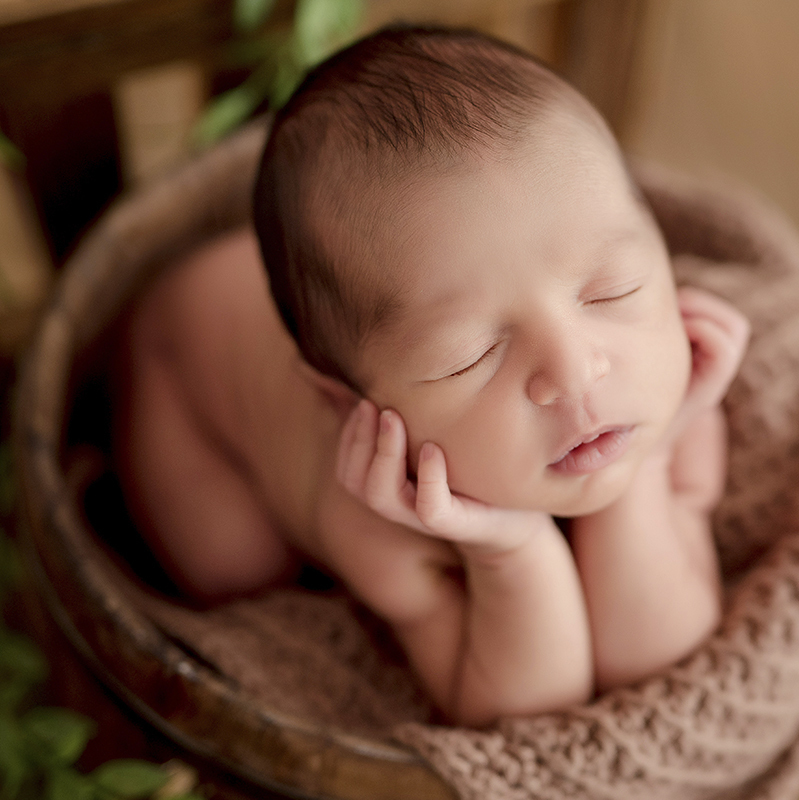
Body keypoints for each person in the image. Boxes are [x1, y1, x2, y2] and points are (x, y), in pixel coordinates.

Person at [115, 26, 749, 726]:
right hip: (185, 375)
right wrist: (511, 549)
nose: (575, 370)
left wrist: (648, 466)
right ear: (350, 405)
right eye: (469, 356)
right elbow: (528, 709)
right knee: (232, 569)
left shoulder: (669, 387)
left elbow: (657, 656)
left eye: (613, 289)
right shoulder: (372, 514)